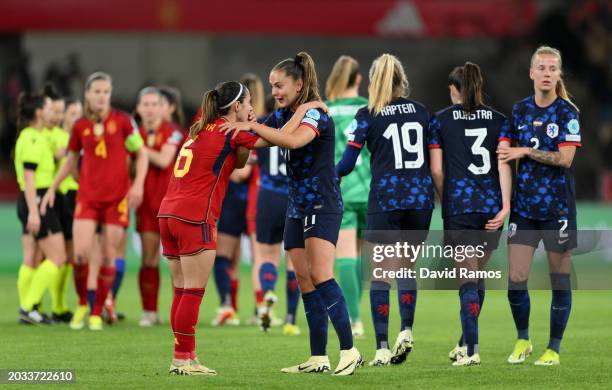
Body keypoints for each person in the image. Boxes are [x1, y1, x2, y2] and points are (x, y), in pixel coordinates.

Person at [222, 52, 363, 376]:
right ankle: (318, 358)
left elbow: (292, 140)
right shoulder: (289, 112)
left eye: (280, 85)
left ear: (299, 84)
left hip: (322, 203)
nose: (275, 92)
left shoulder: (315, 115)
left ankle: (349, 351)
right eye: (271, 86)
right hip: (296, 203)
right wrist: (239, 127)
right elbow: (255, 140)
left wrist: (281, 116)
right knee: (304, 279)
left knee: (321, 275)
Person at [158, 81, 269, 375]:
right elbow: (277, 141)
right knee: (192, 292)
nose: (250, 109)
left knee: (181, 291)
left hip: (168, 213)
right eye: (247, 104)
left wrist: (248, 127)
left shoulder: (201, 127)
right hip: (196, 216)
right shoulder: (230, 132)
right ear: (236, 107)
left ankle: (185, 356)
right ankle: (182, 359)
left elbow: (240, 163)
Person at [336, 53, 434, 367]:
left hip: (386, 199)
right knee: (406, 268)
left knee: (380, 274)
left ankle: (380, 347)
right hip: (420, 199)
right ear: (401, 81)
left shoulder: (367, 115)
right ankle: (406, 329)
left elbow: (347, 165)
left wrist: (325, 175)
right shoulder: (421, 112)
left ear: (375, 81)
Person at [40, 72, 148, 331]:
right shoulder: (80, 126)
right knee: (79, 254)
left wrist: (138, 185)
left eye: (106, 92)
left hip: (116, 200)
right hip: (88, 199)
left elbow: (141, 153)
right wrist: (53, 187)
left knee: (109, 257)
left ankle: (97, 311)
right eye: (97, 91)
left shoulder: (122, 122)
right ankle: (81, 304)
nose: (101, 96)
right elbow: (70, 160)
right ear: (87, 94)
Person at [497, 46, 581, 366]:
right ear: (531, 73)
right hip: (524, 208)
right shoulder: (519, 111)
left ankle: (554, 348)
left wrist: (525, 153)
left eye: (553, 68)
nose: (547, 73)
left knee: (559, 277)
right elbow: (506, 152)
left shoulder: (567, 113)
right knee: (516, 277)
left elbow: (566, 159)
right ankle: (523, 339)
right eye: (541, 68)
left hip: (558, 208)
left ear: (558, 75)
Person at [428, 62, 512, 366]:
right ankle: (465, 342)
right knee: (475, 278)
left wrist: (445, 198)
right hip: (491, 209)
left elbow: (437, 169)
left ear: (453, 89)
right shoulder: (501, 121)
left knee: (467, 280)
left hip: (460, 207)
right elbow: (505, 165)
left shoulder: (439, 122)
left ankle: (473, 350)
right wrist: (505, 207)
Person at [241, 72, 300, 333]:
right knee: (294, 260)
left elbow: (247, 159)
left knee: (266, 255)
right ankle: (290, 319)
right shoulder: (300, 126)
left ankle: (266, 298)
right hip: (292, 195)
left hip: (266, 195)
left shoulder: (263, 124)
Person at [325, 55, 369, 337]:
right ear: (358, 79)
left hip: (340, 187)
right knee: (362, 254)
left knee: (345, 255)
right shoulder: (369, 108)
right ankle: (357, 309)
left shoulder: (326, 110)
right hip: (370, 187)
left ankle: (354, 319)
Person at [15, 92, 66, 324]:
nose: (52, 112)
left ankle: (29, 307)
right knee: (57, 257)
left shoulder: (34, 136)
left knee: (32, 258)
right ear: (38, 113)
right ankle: (28, 307)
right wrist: (34, 212)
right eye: (48, 108)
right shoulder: (33, 138)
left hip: (32, 199)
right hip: (36, 199)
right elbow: (29, 177)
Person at [135, 86, 183, 326]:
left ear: (163, 108)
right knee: (149, 258)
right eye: (146, 104)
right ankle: (149, 311)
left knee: (176, 261)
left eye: (155, 104)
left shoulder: (173, 132)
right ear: (139, 109)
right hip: (144, 204)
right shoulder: (132, 133)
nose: (151, 109)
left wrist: (137, 148)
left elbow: (165, 160)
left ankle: (180, 313)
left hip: (171, 205)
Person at [43, 84, 80, 323]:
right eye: (72, 114)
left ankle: (59, 305)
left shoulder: (71, 137)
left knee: (69, 256)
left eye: (79, 114)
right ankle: (38, 305)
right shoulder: (57, 137)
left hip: (76, 196)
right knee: (55, 256)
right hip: (62, 196)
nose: (76, 119)